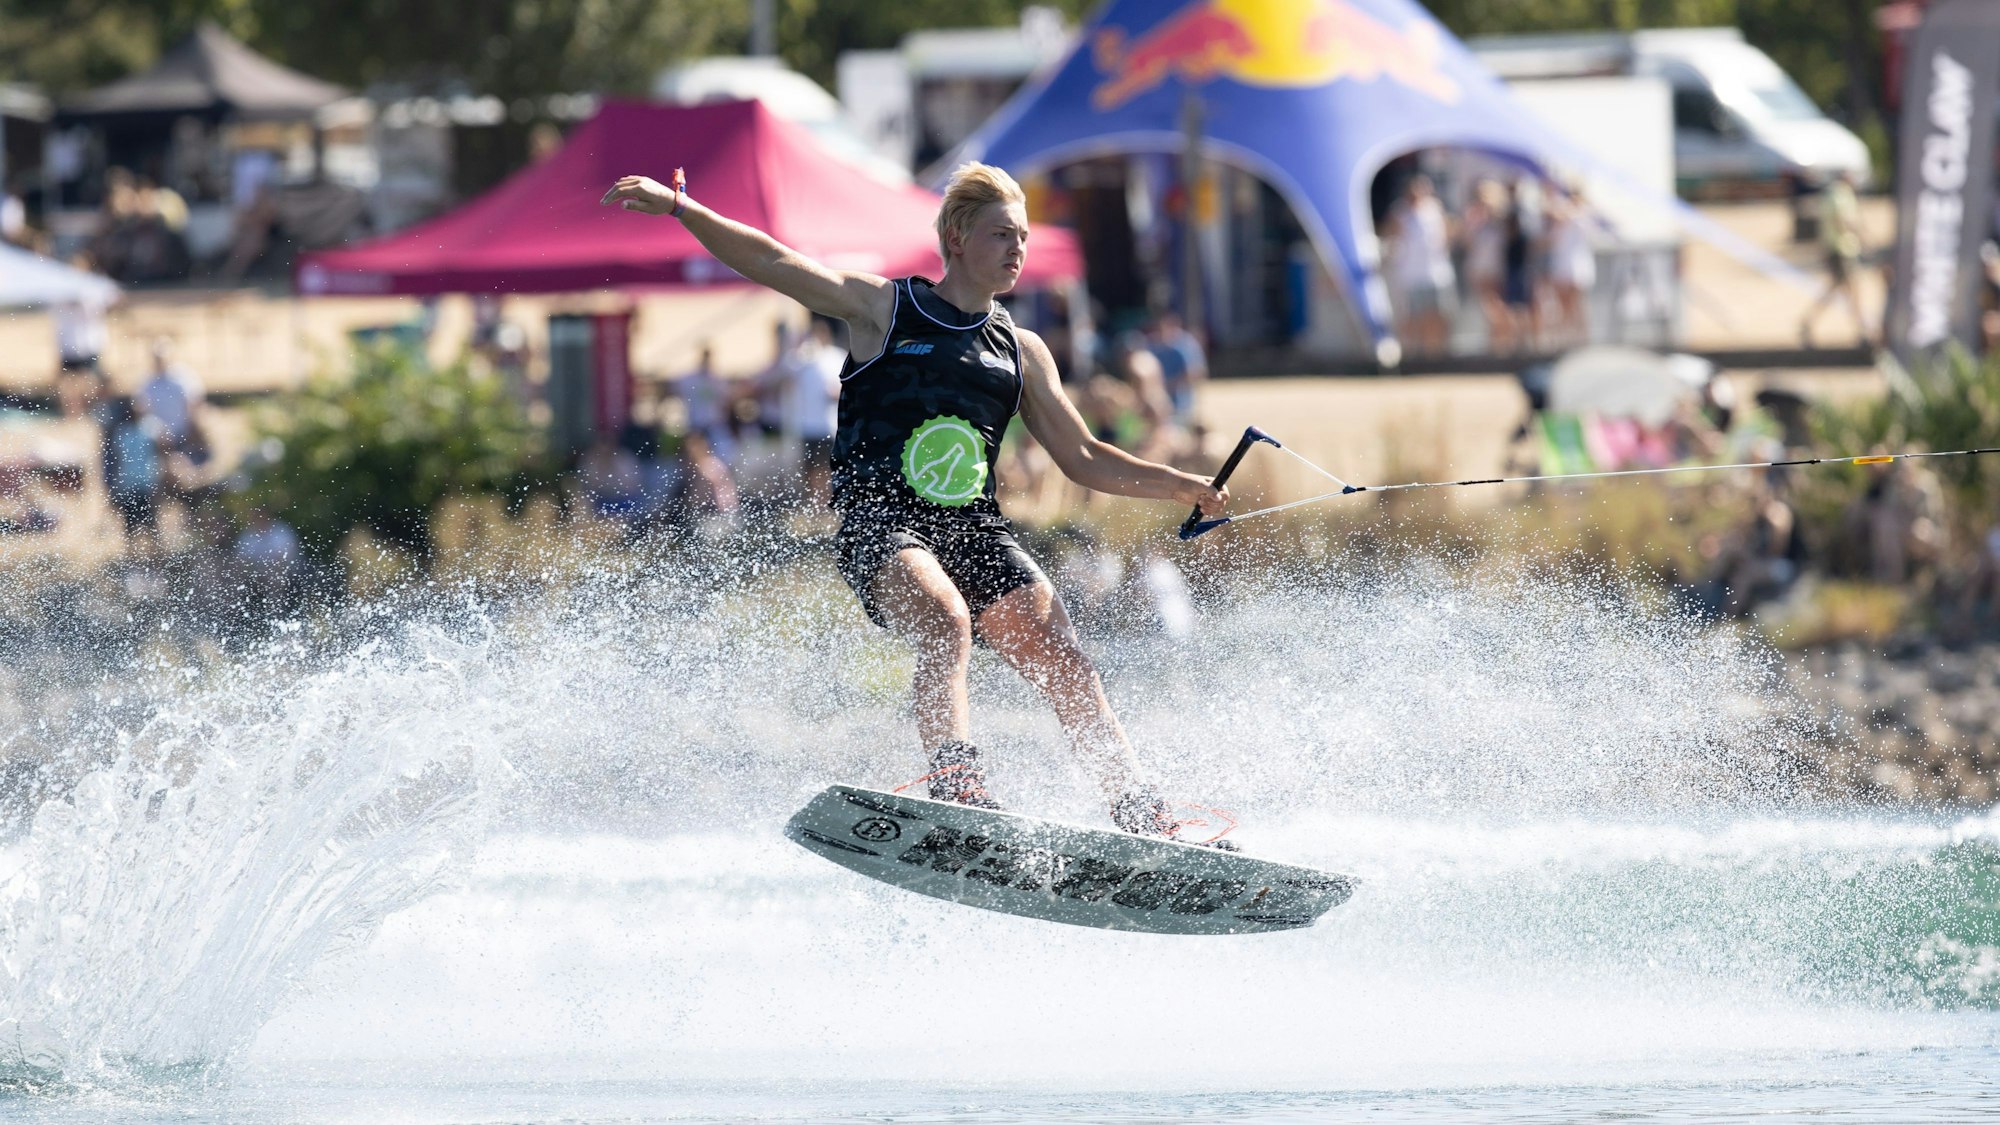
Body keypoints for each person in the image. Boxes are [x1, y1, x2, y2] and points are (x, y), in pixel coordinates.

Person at [601, 161, 1232, 844]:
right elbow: (773, 260)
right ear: (957, 239)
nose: (1017, 249)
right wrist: (682, 210)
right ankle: (957, 783)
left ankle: (1140, 811)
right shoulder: (885, 309)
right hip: (883, 521)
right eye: (1001, 235)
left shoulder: (1022, 350)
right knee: (945, 617)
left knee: (1065, 657)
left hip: (975, 529)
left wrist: (1180, 484)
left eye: (1022, 236)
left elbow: (1081, 456)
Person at [1384, 174, 1456, 358]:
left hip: (1436, 272)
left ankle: (1434, 354)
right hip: (1411, 274)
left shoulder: (1434, 209)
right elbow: (1390, 236)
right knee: (1413, 317)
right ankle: (1413, 354)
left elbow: (1447, 233)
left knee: (1437, 314)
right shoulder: (1400, 212)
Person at [1799, 169, 1872, 349]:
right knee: (1852, 290)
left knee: (1839, 289)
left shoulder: (1830, 194)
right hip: (1842, 249)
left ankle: (1809, 322)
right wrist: (1864, 238)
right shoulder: (1840, 194)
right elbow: (1843, 220)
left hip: (1837, 248)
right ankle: (1861, 331)